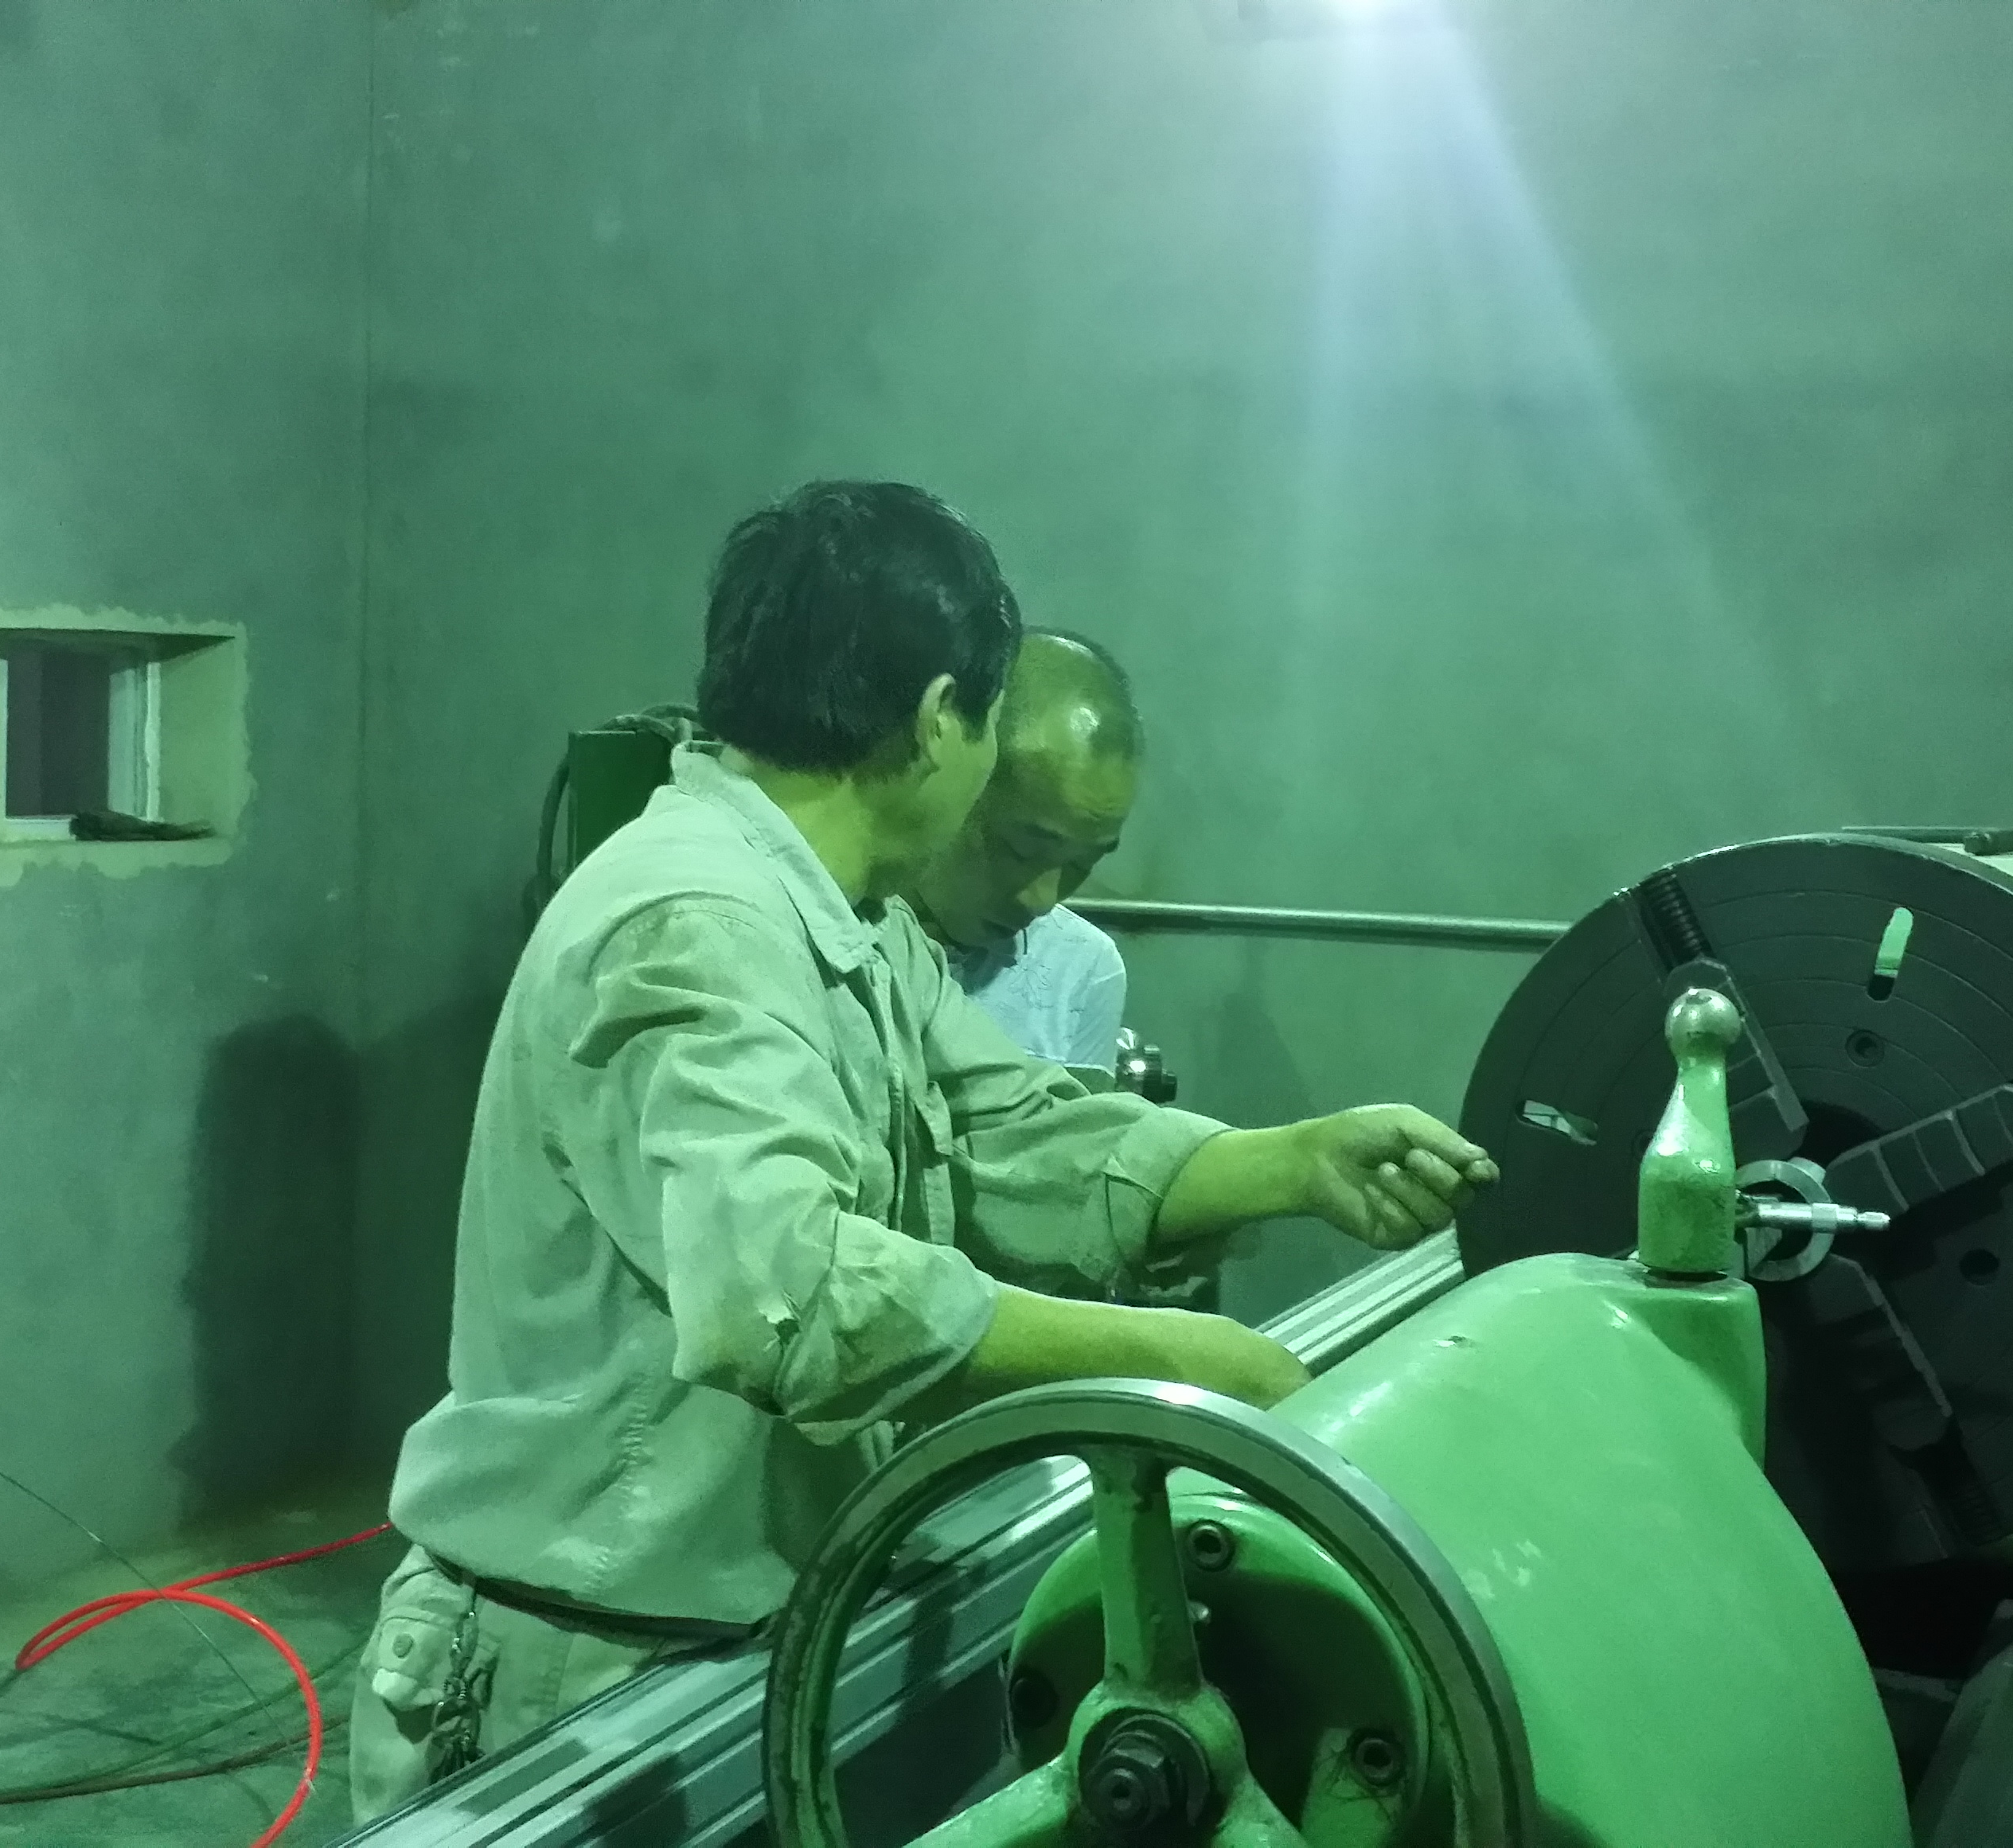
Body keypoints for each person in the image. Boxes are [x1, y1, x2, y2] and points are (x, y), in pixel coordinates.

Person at [350, 481, 1496, 1822]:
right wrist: (1173, 1362)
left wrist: (1292, 1162)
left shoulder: (849, 919)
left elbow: (1009, 1129)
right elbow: (786, 1293)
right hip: (577, 1671)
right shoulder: (697, 919)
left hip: (723, 1639)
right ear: (944, 713)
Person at [911, 630, 1141, 1071]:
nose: (1042, 900)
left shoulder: (1083, 970)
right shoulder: (836, 921)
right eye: (1021, 850)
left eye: (1083, 864)